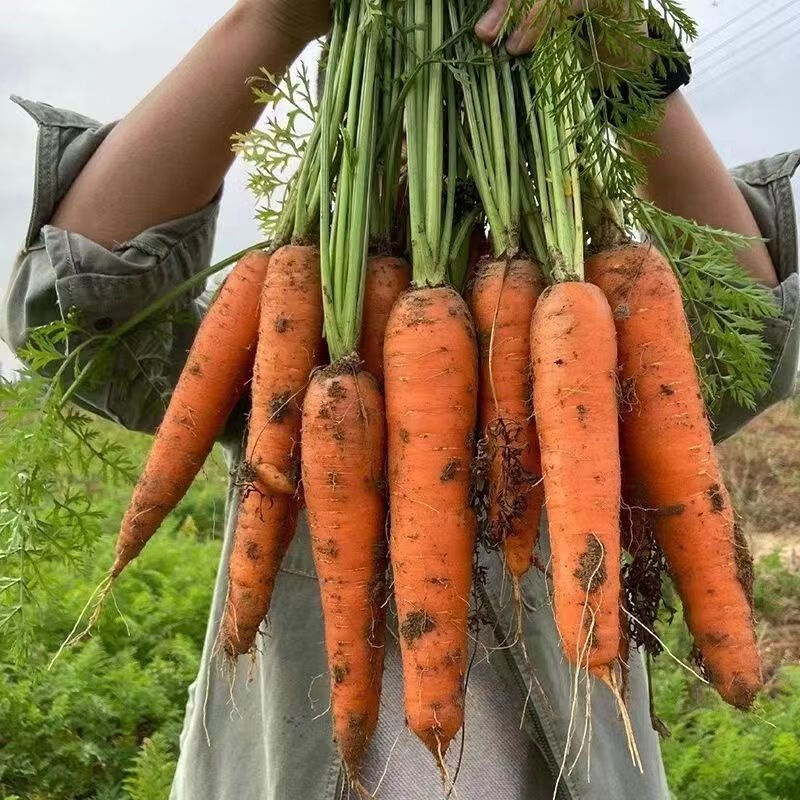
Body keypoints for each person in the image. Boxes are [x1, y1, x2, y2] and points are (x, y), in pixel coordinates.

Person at [3, 1, 798, 798]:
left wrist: (628, 56)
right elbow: (76, 322)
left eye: (465, 119)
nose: (445, 160)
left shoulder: (598, 330)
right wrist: (275, 21)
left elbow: (753, 348)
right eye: (421, 112)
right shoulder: (297, 338)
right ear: (372, 131)